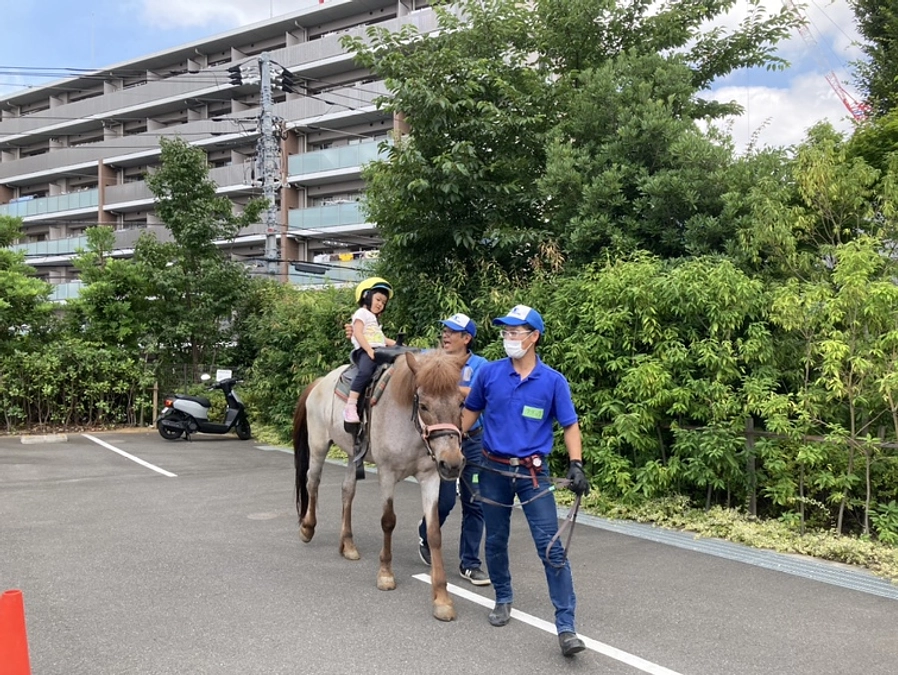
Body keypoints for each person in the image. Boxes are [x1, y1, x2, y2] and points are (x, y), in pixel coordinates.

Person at [461, 304, 591, 658]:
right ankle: (503, 598)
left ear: (534, 337)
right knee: (496, 540)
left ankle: (566, 627)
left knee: (551, 547)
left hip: (533, 474)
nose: (508, 338)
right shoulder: (489, 374)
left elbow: (569, 425)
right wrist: (450, 444)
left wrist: (576, 464)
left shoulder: (552, 381)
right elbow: (468, 415)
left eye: (515, 332)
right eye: (505, 332)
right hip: (492, 470)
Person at [416, 313, 490, 586]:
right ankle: (425, 532)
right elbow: (407, 362)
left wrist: (451, 388)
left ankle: (470, 563)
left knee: (475, 502)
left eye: (453, 331)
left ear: (467, 338)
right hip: (443, 442)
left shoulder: (481, 366)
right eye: (444, 330)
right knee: (444, 501)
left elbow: (482, 396)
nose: (446, 335)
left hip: (472, 440)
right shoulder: (430, 359)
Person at [343, 277, 396, 424]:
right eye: (378, 299)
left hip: (379, 350)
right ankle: (351, 405)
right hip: (365, 351)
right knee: (365, 372)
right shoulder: (361, 313)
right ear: (366, 296)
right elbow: (358, 333)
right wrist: (369, 350)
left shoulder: (374, 320)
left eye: (383, 303)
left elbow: (382, 339)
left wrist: (399, 345)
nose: (380, 304)